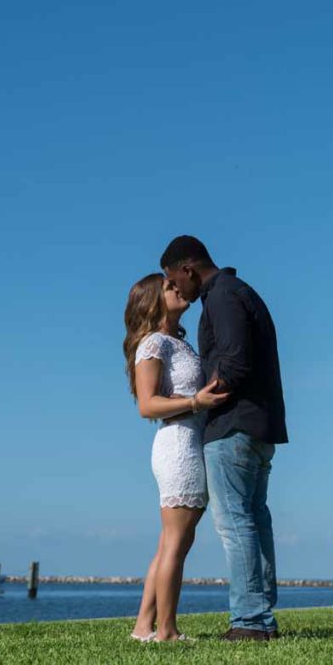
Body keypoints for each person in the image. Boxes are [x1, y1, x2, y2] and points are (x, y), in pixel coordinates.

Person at [161, 236, 288, 642]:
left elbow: (234, 360)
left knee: (235, 522)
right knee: (253, 516)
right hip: (257, 424)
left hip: (233, 425)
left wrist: (203, 400)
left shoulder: (222, 297)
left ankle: (251, 620)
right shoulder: (238, 291)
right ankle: (260, 613)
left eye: (173, 280)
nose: (175, 290)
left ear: (188, 269)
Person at [123, 274, 230, 642]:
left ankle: (143, 626)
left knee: (173, 542)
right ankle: (166, 630)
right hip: (178, 444)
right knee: (175, 543)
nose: (179, 290)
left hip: (189, 440)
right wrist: (195, 401)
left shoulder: (175, 343)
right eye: (170, 288)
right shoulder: (153, 344)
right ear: (153, 301)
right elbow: (147, 405)